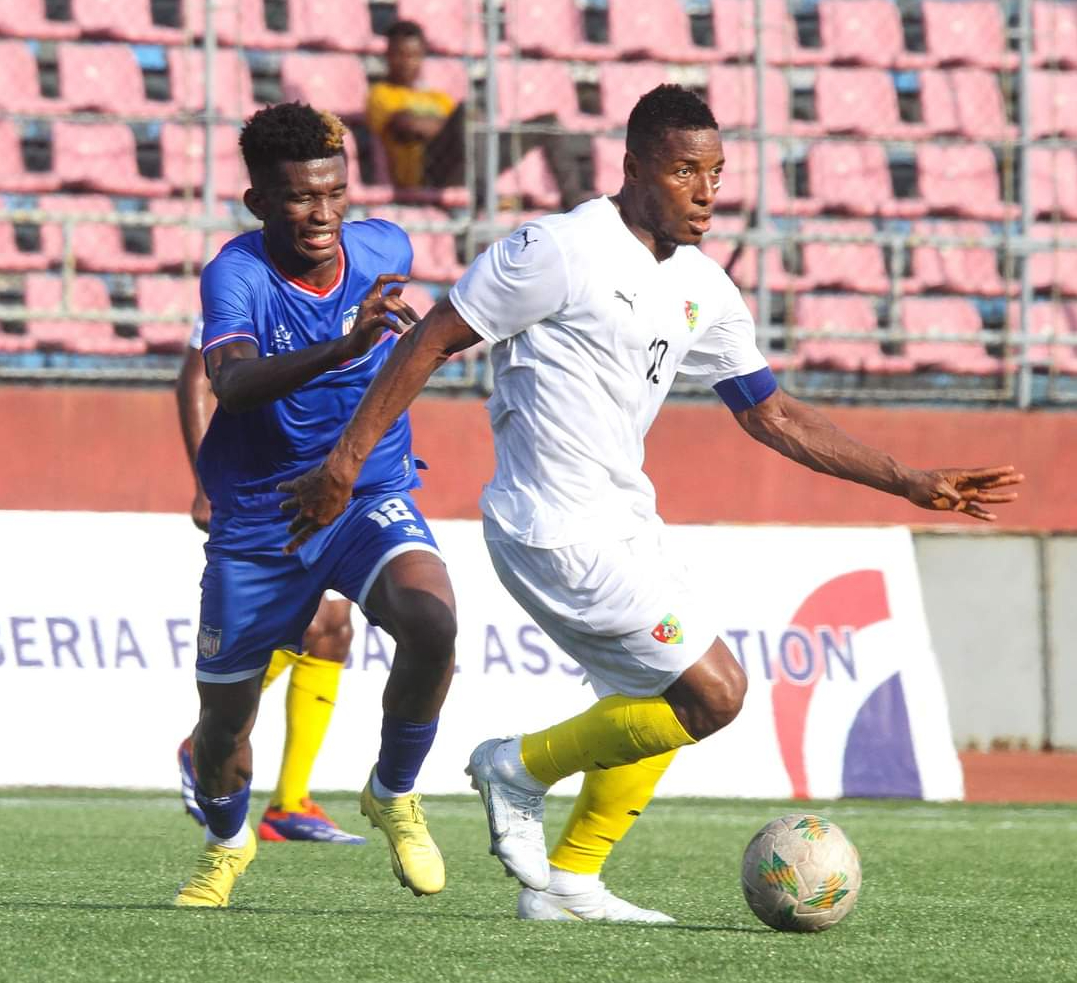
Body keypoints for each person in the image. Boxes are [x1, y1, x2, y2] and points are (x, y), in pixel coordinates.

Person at [276, 85, 1023, 922]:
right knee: (711, 692)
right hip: (552, 524)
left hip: (626, 520)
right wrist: (344, 462)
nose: (705, 192)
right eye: (683, 172)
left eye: (715, 173)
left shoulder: (701, 283)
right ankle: (515, 766)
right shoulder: (555, 250)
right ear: (632, 168)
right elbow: (428, 339)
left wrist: (909, 480)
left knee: (663, 700)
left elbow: (772, 413)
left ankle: (568, 886)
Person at [173, 102, 457, 909]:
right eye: (300, 197)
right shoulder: (236, 273)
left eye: (333, 192)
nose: (322, 213)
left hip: (366, 492)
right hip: (262, 518)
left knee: (432, 621)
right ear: (260, 201)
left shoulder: (384, 246)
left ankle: (393, 790)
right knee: (223, 725)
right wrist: (344, 344)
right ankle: (227, 844)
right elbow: (226, 379)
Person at [175, 327, 366, 845]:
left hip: (326, 475)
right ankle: (209, 743)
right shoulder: (247, 280)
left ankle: (289, 802)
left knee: (333, 630)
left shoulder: (358, 274)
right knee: (317, 622)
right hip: (262, 488)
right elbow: (197, 371)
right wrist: (202, 483)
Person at [366, 19, 589, 208]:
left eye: (413, 55)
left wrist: (450, 128)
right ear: (387, 55)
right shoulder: (380, 94)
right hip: (426, 176)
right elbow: (407, 126)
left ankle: (574, 202)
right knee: (467, 114)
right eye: (399, 55)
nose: (407, 62)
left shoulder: (436, 97)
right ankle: (485, 199)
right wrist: (451, 126)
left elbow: (449, 128)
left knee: (547, 123)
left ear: (423, 56)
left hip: (467, 165)